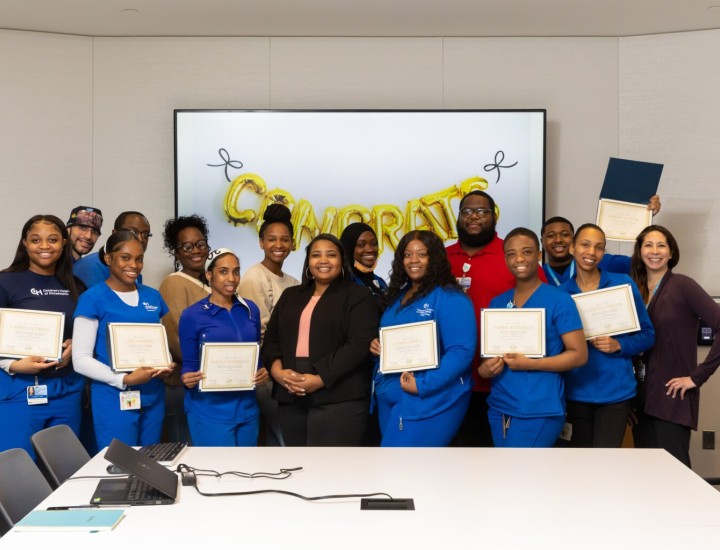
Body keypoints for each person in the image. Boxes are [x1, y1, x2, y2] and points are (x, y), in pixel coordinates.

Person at [446, 190, 546, 447]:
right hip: (448, 381)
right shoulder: (442, 258)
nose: (474, 217)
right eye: (467, 211)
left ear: (494, 216)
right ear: (458, 217)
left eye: (482, 211)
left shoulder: (513, 256)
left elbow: (543, 310)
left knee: (495, 463)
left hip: (501, 381)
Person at [262, 233, 379, 446]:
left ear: (342, 261)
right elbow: (271, 339)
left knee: (331, 472)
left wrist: (319, 379)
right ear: (309, 262)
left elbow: (358, 345)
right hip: (290, 395)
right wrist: (278, 373)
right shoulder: (290, 295)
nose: (323, 260)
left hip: (339, 399)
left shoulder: (358, 296)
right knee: (297, 469)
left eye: (331, 255)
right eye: (316, 255)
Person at [479, 228, 587, 447]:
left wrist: (531, 363)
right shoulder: (497, 303)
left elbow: (579, 355)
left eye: (527, 252)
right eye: (511, 253)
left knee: (521, 476)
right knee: (505, 473)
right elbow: (485, 361)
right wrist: (485, 369)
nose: (519, 258)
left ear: (538, 256)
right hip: (499, 406)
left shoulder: (560, 301)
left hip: (538, 408)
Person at [370, 230, 475, 446]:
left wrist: (423, 385)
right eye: (407, 255)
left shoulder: (450, 297)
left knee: (408, 470)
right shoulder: (398, 297)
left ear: (433, 258)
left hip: (428, 397)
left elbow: (461, 351)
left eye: (421, 254)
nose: (413, 260)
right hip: (389, 394)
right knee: (391, 468)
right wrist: (378, 347)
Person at [72, 230, 174, 450]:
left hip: (153, 394)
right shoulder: (92, 299)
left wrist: (165, 365)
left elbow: (157, 345)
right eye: (125, 258)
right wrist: (124, 380)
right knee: (120, 466)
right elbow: (80, 359)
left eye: (139, 259)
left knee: (150, 462)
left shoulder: (152, 296)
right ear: (109, 259)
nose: (134, 265)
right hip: (114, 395)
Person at [630, 225, 720, 467]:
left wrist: (697, 377)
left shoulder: (682, 285)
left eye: (661, 245)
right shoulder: (634, 290)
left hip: (671, 397)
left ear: (671, 253)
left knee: (674, 476)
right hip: (640, 401)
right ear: (639, 251)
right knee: (647, 478)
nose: (655, 251)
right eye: (648, 245)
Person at [559, 223, 655, 447]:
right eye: (585, 245)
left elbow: (648, 335)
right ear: (572, 248)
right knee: (578, 467)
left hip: (616, 394)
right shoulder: (561, 294)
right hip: (575, 393)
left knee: (607, 466)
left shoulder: (622, 284)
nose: (591, 253)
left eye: (599, 247)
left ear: (604, 252)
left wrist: (618, 345)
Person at [0, 215, 85, 458]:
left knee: (65, 469)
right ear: (25, 243)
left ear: (64, 243)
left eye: (53, 240)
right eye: (36, 240)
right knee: (18, 471)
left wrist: (75, 344)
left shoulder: (76, 285)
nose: (45, 246)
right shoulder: (5, 282)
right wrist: (13, 364)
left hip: (67, 390)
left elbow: (85, 331)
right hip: (18, 390)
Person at [179, 248, 269, 446]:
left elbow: (256, 358)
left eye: (236, 271)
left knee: (247, 472)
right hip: (209, 411)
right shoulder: (192, 315)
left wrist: (262, 372)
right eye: (223, 271)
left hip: (247, 408)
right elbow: (188, 366)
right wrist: (187, 378)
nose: (232, 278)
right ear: (209, 275)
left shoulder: (250, 309)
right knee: (217, 474)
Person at [238, 204, 300, 446]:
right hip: (267, 372)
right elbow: (258, 332)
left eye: (284, 240)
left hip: (287, 369)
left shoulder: (293, 282)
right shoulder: (255, 276)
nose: (278, 245)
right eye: (272, 239)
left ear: (293, 244)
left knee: (281, 438)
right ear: (261, 242)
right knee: (285, 436)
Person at [158, 214, 211, 443]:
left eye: (200, 244)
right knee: (187, 456)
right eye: (187, 246)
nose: (196, 251)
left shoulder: (211, 283)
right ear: (176, 253)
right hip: (184, 385)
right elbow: (177, 342)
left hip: (206, 382)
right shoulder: (174, 282)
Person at [541, 196, 661, 287]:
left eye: (565, 235)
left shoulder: (599, 260)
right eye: (551, 236)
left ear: (573, 242)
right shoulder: (537, 275)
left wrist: (644, 216)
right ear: (542, 241)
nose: (558, 240)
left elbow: (643, 263)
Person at [73, 211, 151, 288]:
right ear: (115, 233)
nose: (140, 239)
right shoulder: (90, 267)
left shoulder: (135, 268)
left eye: (145, 234)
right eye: (133, 231)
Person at [339, 222, 388, 300]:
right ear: (348, 249)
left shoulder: (380, 282)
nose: (370, 249)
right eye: (361, 244)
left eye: (374, 243)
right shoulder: (342, 284)